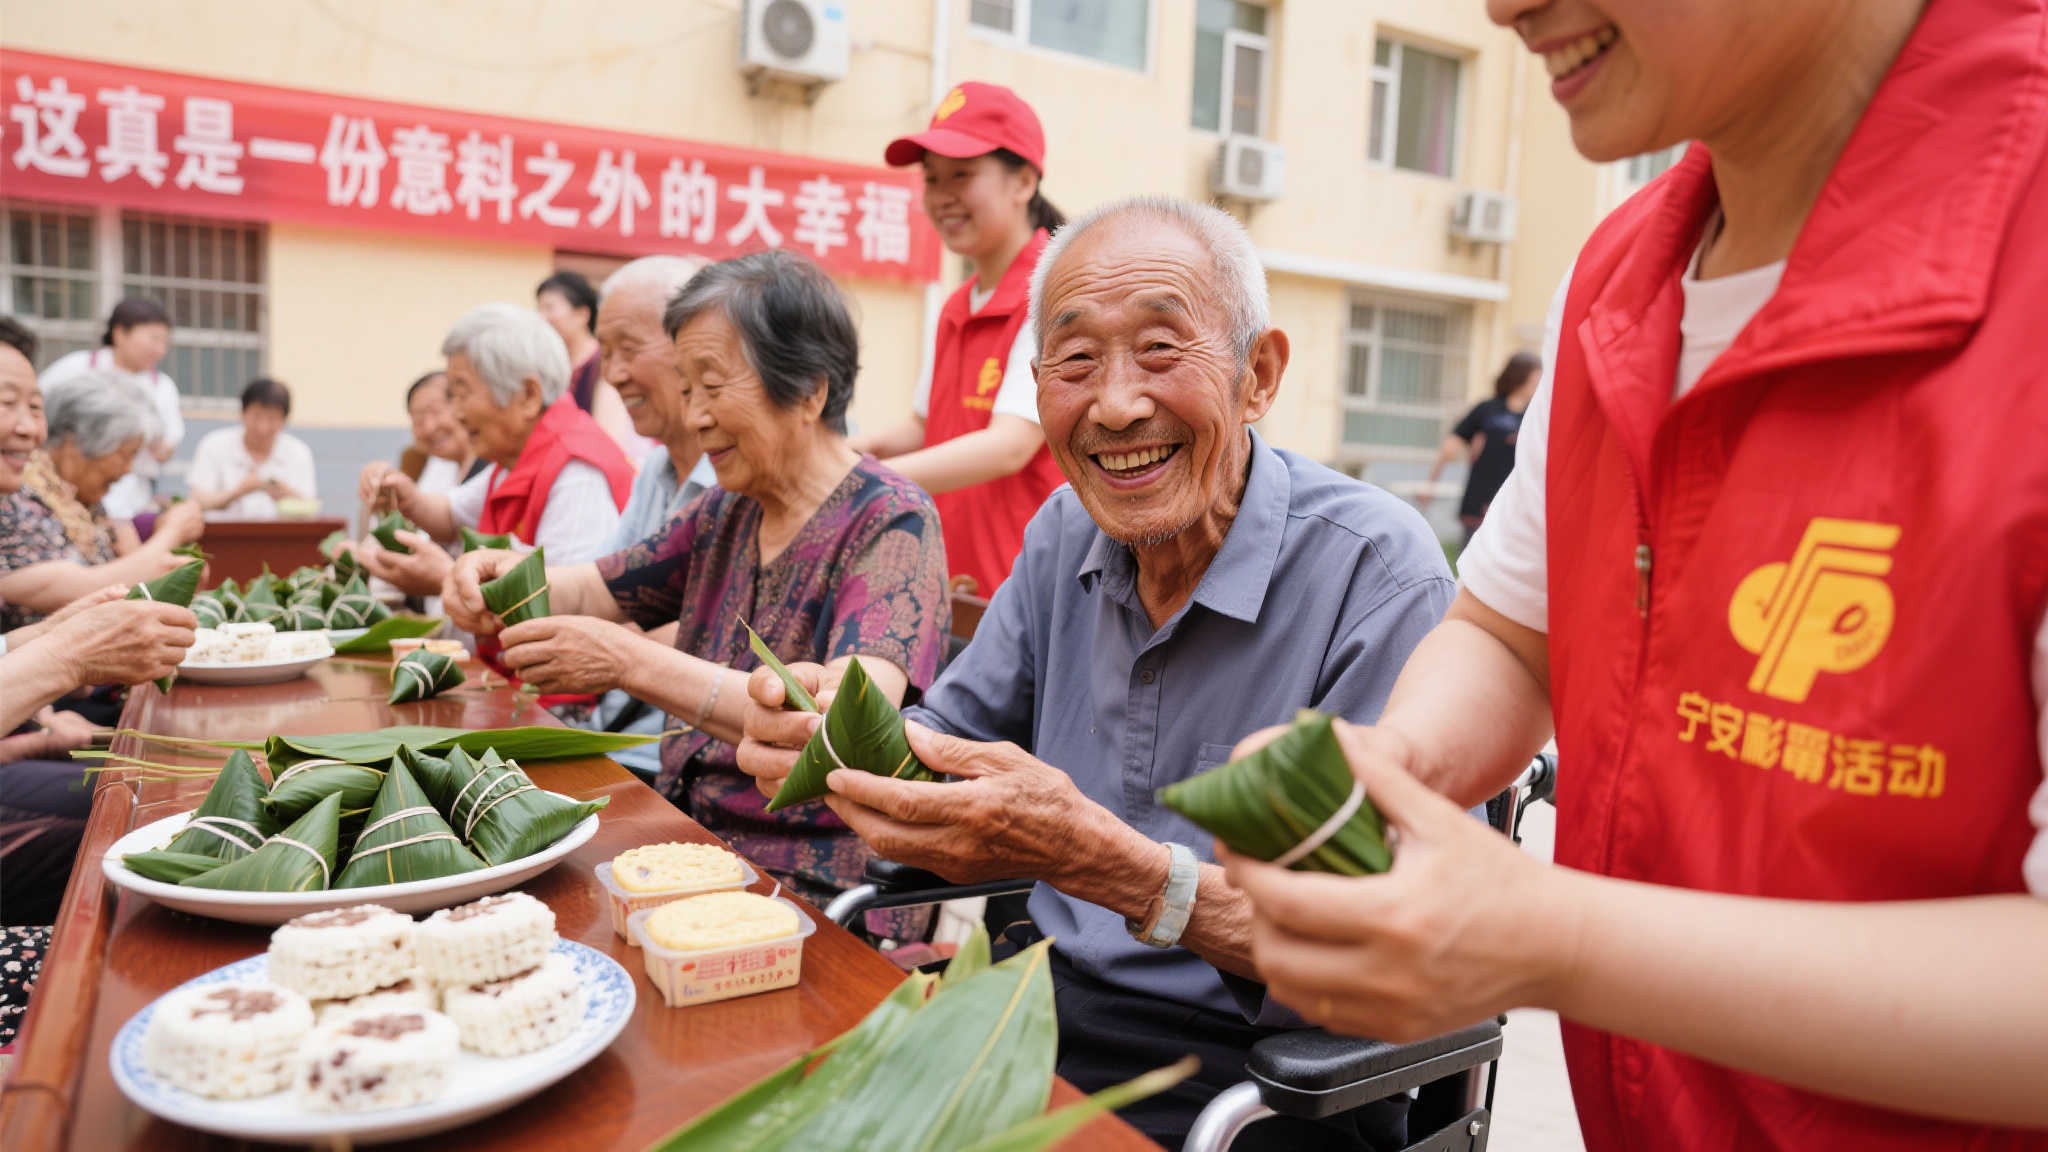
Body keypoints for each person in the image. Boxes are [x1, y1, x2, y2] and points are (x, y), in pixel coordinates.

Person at [1216, 0, 2048, 1148]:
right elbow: (1509, 632)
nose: (1502, 8)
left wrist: (1551, 938)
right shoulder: (1617, 275)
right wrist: (1396, 765)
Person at [736, 198, 1454, 1149]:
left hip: (1266, 1073)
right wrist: (838, 733)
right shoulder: (1064, 532)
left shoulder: (1378, 573)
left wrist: (1111, 865)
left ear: (1258, 376)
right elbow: (943, 749)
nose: (1115, 406)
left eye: (1160, 350)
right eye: (1075, 362)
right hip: (1040, 1006)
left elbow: (1379, 943)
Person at [444, 250, 950, 935]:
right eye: (687, 389)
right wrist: (496, 575)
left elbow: (842, 724)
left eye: (712, 385)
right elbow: (594, 588)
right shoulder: (726, 510)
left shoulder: (891, 521)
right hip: (691, 843)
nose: (696, 415)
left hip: (815, 888)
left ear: (809, 390)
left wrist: (627, 662)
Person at [0, 321, 198, 925]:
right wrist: (63, 657)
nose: (29, 427)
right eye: (8, 403)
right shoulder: (23, 503)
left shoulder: (62, 499)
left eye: (34, 406)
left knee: (162, 803)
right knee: (148, 824)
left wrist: (52, 637)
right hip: (40, 724)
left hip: (38, 719)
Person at [853, 82, 1068, 596]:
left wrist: (864, 486)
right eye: (932, 179)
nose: (942, 196)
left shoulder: (1053, 291)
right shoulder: (957, 305)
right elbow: (924, 426)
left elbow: (1009, 446)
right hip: (952, 588)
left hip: (1025, 594)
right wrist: (842, 455)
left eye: (962, 175)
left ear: (1023, 182)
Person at [355, 304, 634, 600]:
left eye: (462, 394)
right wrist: (407, 497)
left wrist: (446, 578)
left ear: (528, 395)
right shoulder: (517, 459)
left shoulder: (576, 473)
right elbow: (451, 516)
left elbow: (569, 603)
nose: (457, 413)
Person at [0, 368, 204, 631]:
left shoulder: (83, 501)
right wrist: (172, 532)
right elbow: (84, 588)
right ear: (75, 444)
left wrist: (174, 571)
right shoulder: (16, 497)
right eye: (126, 454)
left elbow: (130, 580)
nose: (128, 469)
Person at [38, 297, 181, 521]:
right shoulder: (75, 367)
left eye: (165, 342)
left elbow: (166, 449)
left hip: (133, 495)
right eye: (153, 339)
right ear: (120, 333)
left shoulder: (162, 386)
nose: (160, 350)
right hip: (69, 485)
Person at [1421, 351, 1539, 541]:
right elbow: (1449, 448)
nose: (1538, 385)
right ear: (1520, 377)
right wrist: (1430, 485)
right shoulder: (1487, 410)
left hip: (1516, 504)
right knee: (1472, 552)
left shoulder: (1535, 416)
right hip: (1479, 499)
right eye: (1535, 380)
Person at [537, 270, 646, 462]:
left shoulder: (604, 363)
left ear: (582, 314)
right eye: (539, 309)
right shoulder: (549, 366)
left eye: (549, 308)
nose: (542, 317)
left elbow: (609, 437)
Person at [185, 378, 317, 518]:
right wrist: (238, 492)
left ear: (285, 420)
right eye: (256, 416)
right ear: (242, 413)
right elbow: (197, 501)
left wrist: (288, 495)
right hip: (221, 531)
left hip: (279, 532)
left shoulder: (298, 452)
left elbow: (310, 510)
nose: (262, 428)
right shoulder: (214, 445)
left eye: (272, 418)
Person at [396, 370, 481, 494]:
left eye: (436, 412)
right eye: (418, 420)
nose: (429, 428)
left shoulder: (495, 465)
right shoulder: (423, 462)